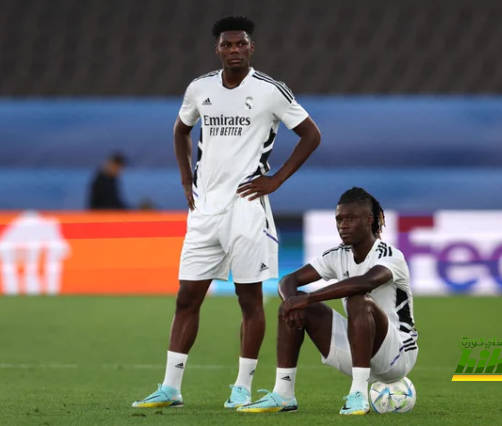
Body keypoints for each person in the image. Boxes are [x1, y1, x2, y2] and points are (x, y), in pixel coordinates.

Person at [132, 16, 321, 409]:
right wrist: (186, 179)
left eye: (241, 44)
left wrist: (276, 180)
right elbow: (181, 129)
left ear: (252, 48)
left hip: (247, 207)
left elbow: (311, 135)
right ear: (217, 49)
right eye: (227, 45)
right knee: (187, 297)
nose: (234, 50)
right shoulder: (200, 88)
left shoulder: (271, 91)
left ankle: (242, 387)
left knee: (249, 298)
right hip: (204, 209)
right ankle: (170, 388)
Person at [237, 187, 418, 415]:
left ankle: (358, 394)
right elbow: (289, 279)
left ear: (369, 220)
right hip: (359, 350)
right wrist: (292, 301)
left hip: (397, 356)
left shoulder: (390, 255)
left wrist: (309, 298)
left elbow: (365, 282)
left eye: (351, 218)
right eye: (339, 219)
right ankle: (283, 393)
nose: (343, 225)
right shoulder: (338, 255)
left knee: (357, 298)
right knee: (293, 301)